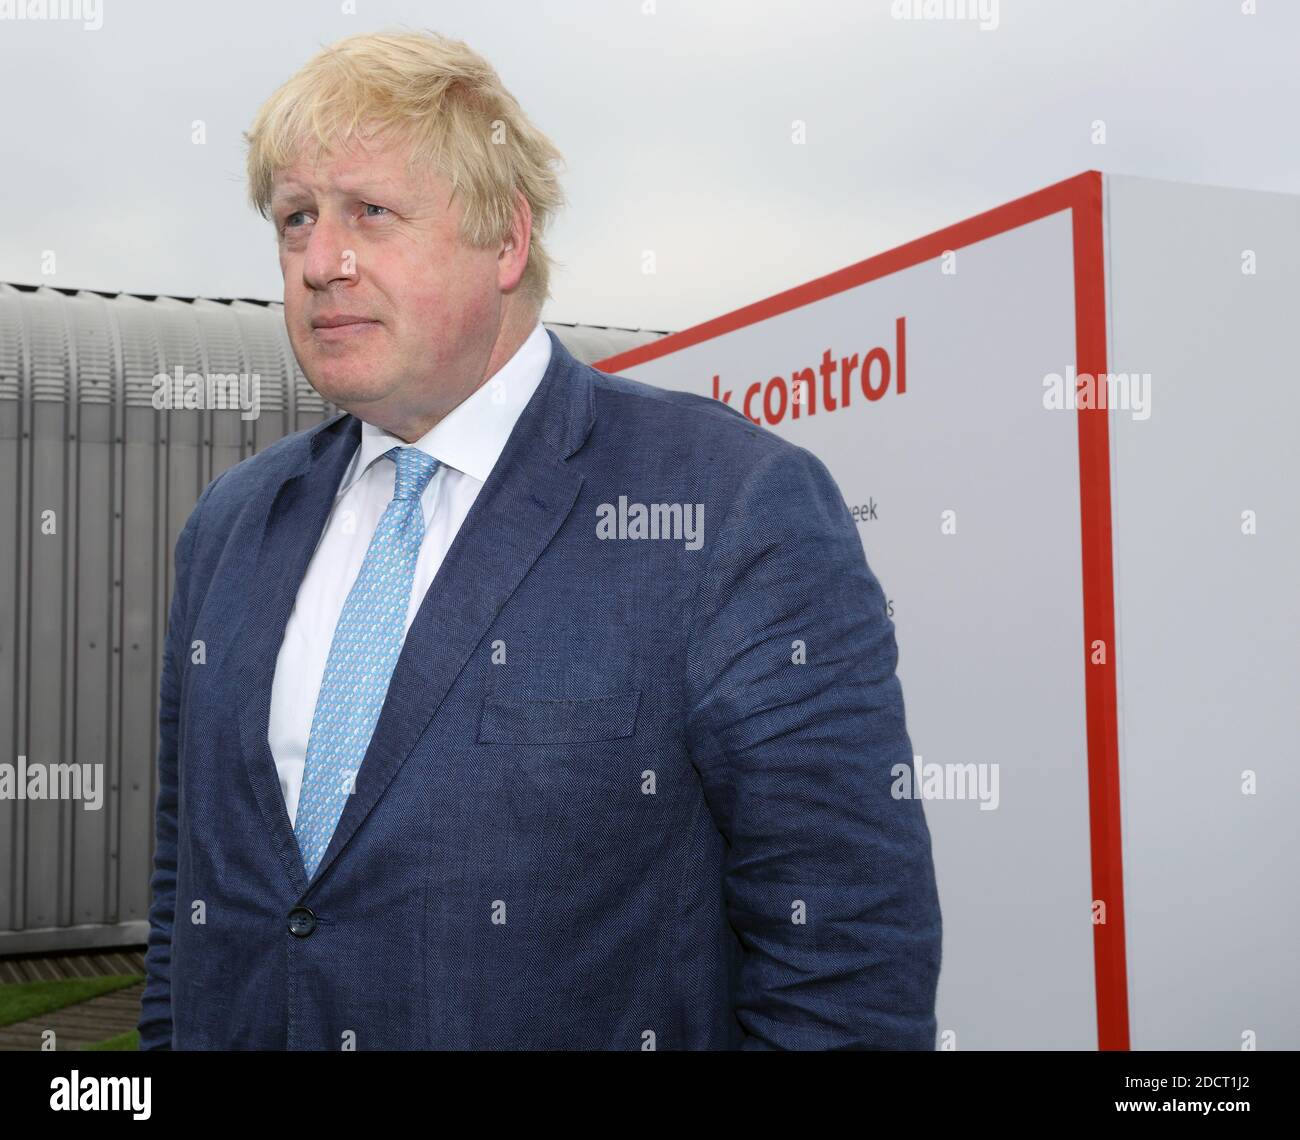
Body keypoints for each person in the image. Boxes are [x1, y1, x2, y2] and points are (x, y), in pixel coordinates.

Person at [137, 28, 941, 1051]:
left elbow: (847, 954)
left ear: (505, 241)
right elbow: (187, 894)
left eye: (370, 213)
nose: (322, 263)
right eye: (297, 220)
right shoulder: (231, 526)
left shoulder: (728, 506)